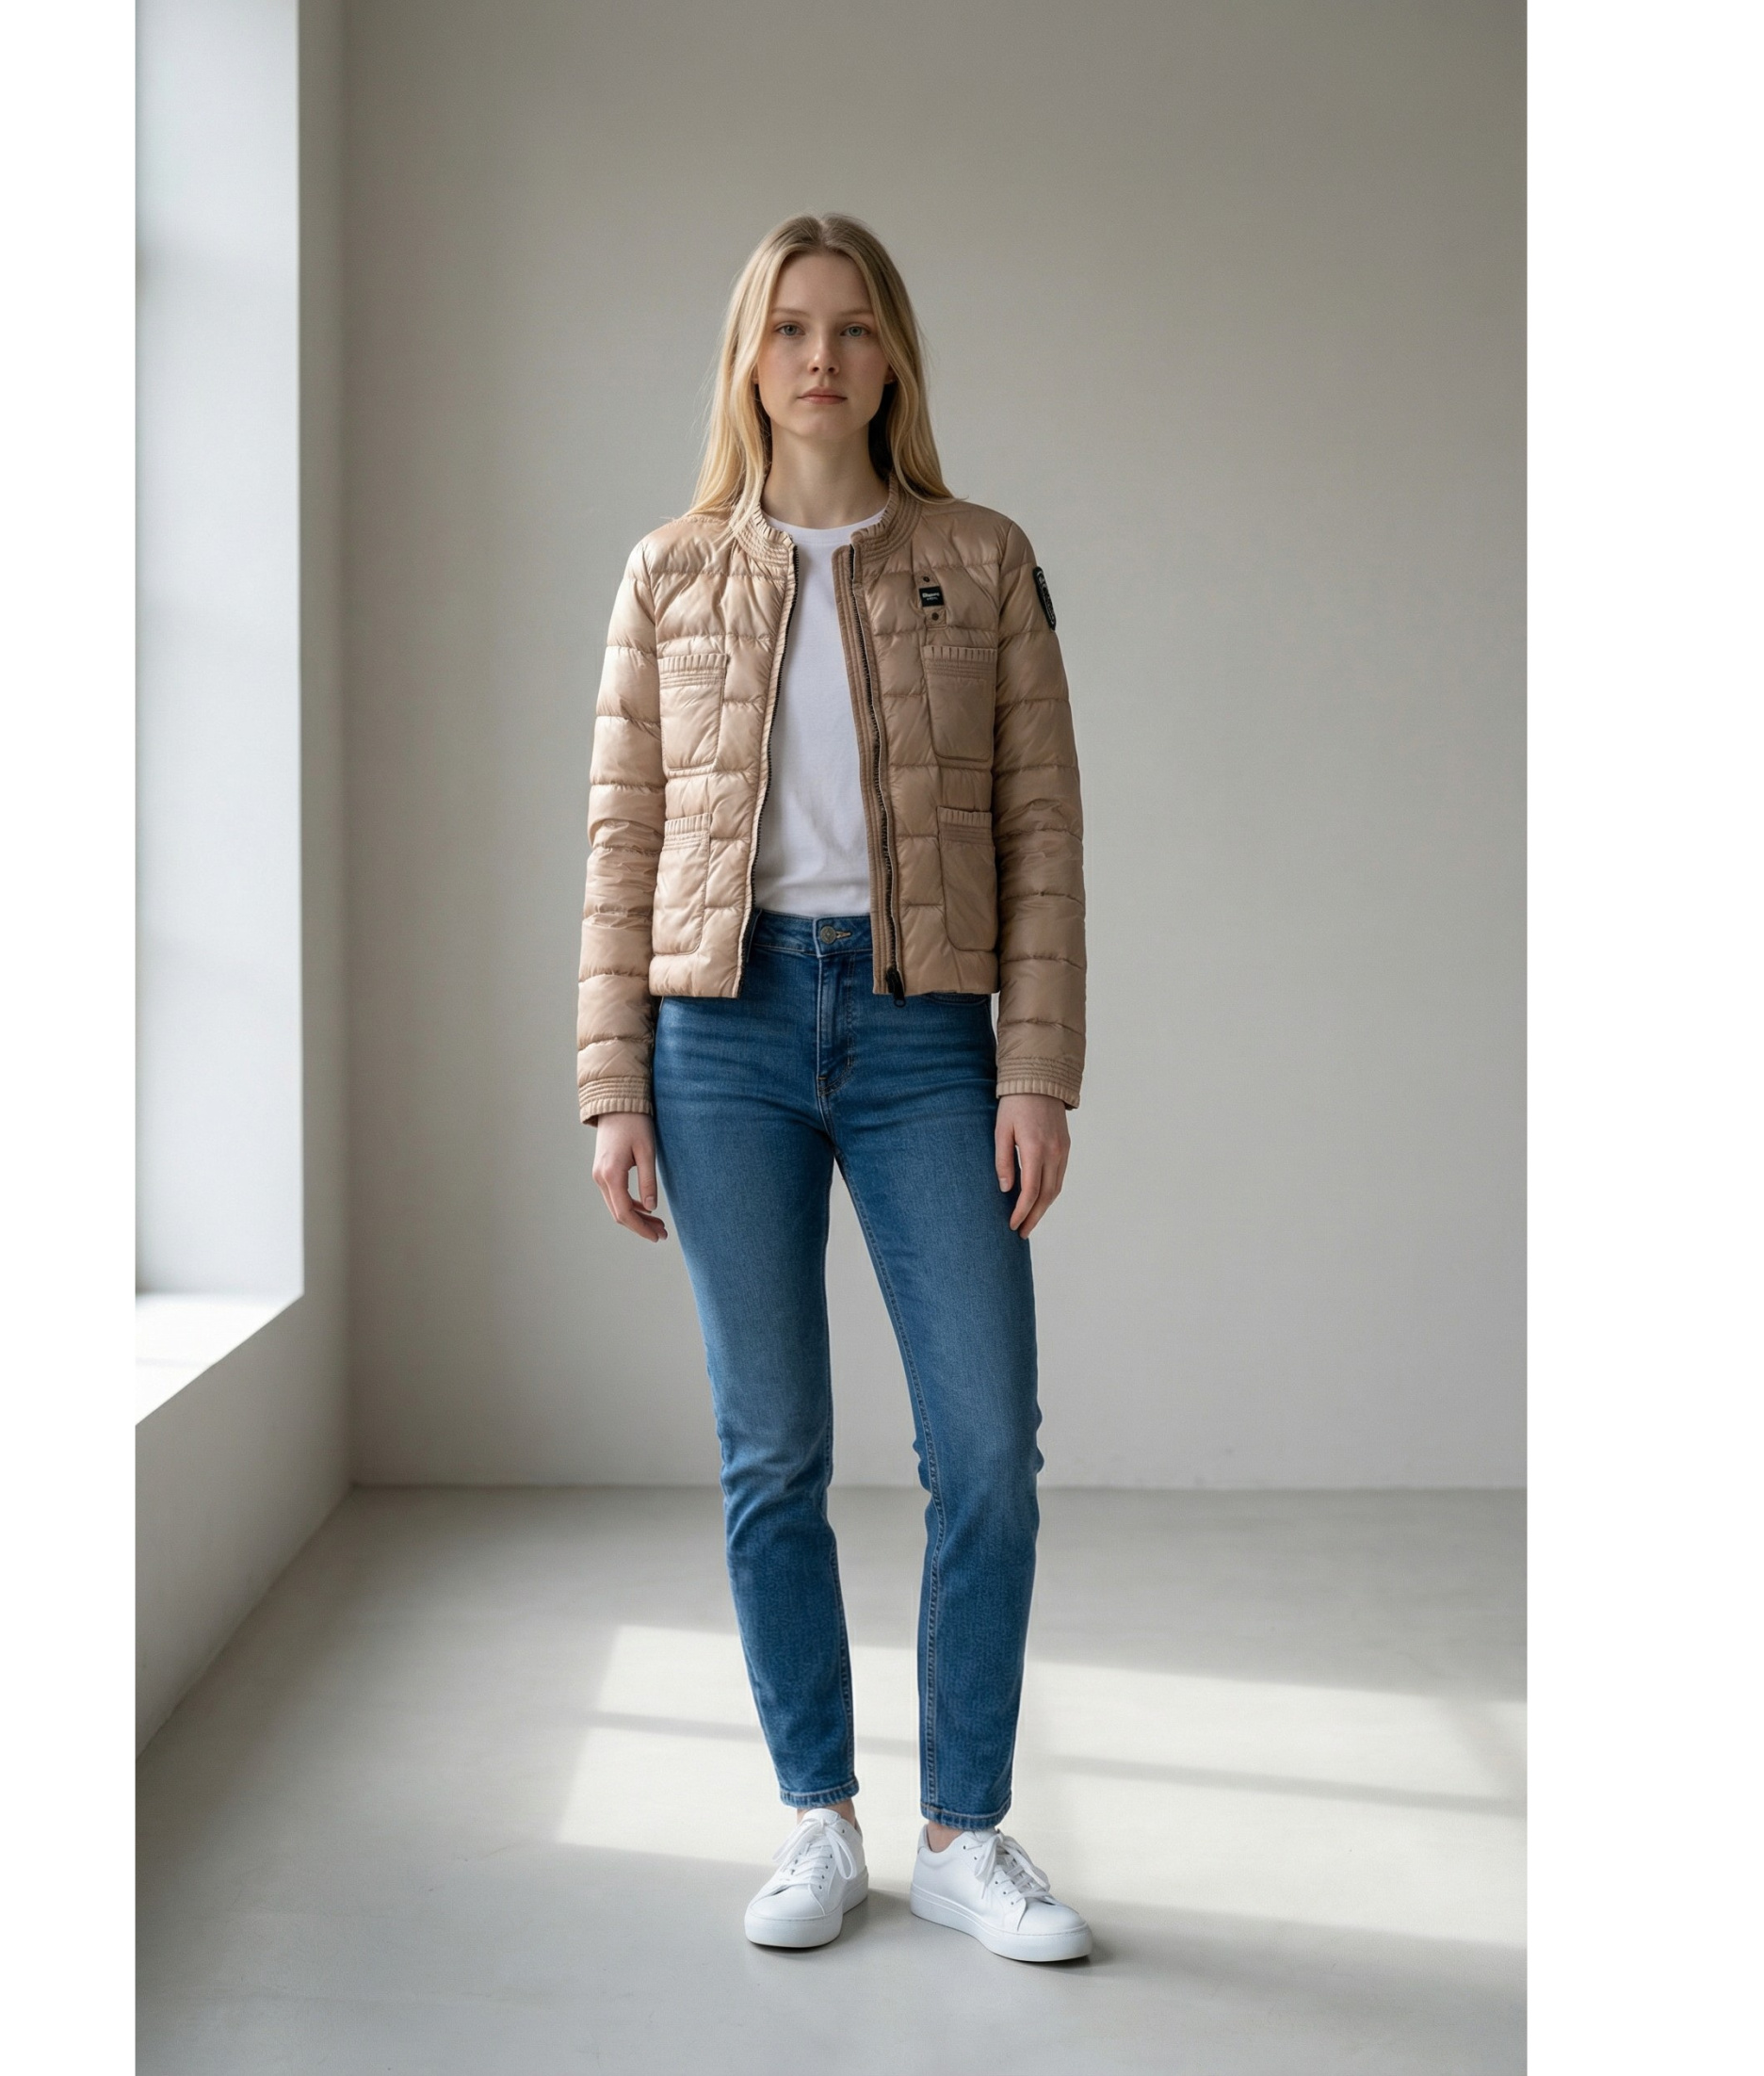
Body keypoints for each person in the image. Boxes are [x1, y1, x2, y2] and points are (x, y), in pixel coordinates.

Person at [576, 214, 1089, 1962]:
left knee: (987, 1447)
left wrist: (1037, 1065)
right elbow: (623, 841)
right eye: (789, 326)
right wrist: (613, 1086)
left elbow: (1041, 832)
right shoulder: (668, 574)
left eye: (853, 327)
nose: (820, 357)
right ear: (748, 357)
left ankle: (965, 1832)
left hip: (925, 1029)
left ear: (892, 360)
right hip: (717, 1035)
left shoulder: (984, 560)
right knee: (772, 1450)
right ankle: (818, 1813)